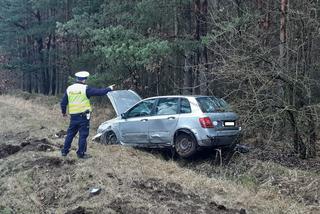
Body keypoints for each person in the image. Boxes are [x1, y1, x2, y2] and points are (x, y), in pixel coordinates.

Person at [60, 71, 114, 158]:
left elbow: (63, 103)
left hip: (73, 116)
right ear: (84, 80)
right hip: (83, 117)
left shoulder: (69, 88)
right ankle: (80, 154)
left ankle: (64, 151)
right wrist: (109, 88)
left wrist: (63, 112)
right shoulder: (85, 88)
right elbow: (100, 92)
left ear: (77, 79)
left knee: (70, 134)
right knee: (83, 135)